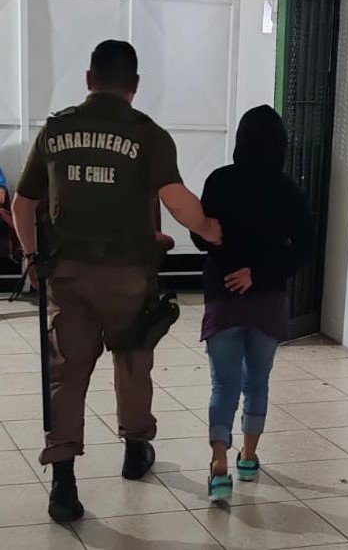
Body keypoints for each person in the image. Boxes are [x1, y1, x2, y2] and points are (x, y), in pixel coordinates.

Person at [11, 40, 222, 523]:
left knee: (66, 375)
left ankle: (63, 483)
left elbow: (23, 206)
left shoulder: (56, 130)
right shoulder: (148, 135)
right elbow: (177, 200)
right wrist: (211, 230)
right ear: (136, 85)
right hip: (129, 278)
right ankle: (134, 450)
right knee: (132, 363)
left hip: (68, 276)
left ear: (89, 79)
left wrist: (32, 258)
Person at [191, 105, 315, 501]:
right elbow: (306, 247)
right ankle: (248, 457)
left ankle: (218, 466)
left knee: (223, 384)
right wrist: (259, 274)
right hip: (268, 300)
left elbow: (200, 237)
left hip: (223, 298)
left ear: (240, 141)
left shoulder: (219, 181)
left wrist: (228, 251)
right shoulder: (289, 191)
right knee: (256, 382)